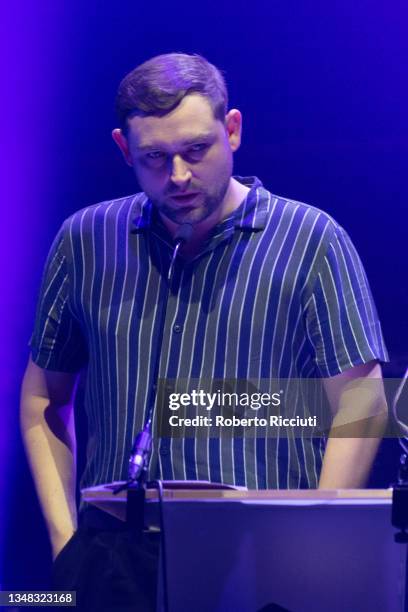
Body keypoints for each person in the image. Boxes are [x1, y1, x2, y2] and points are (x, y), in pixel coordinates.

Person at [20, 53, 389, 610]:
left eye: (196, 150)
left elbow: (364, 404)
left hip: (265, 563)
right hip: (112, 565)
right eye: (154, 158)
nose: (179, 177)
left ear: (232, 130)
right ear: (124, 150)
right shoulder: (85, 240)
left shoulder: (313, 239)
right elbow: (43, 398)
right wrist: (64, 542)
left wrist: (311, 540)